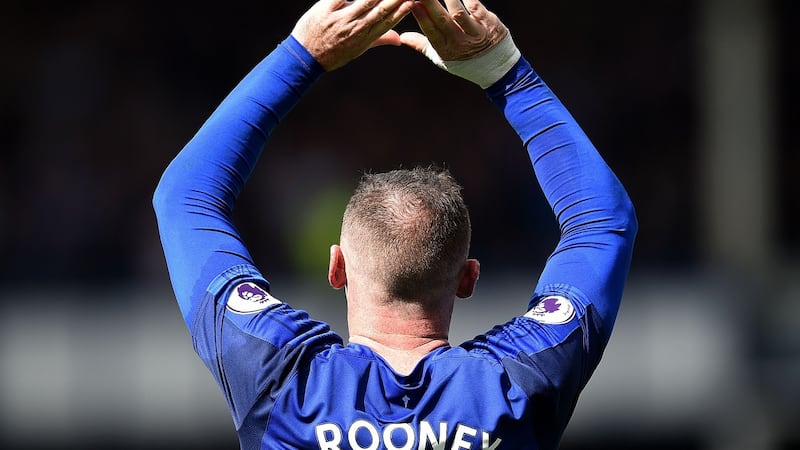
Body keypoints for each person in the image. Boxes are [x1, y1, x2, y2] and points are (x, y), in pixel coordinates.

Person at [152, 0, 638, 448]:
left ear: (336, 268)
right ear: (469, 278)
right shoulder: (517, 383)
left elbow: (184, 201)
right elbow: (601, 222)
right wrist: (505, 71)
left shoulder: (281, 378)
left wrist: (301, 55)